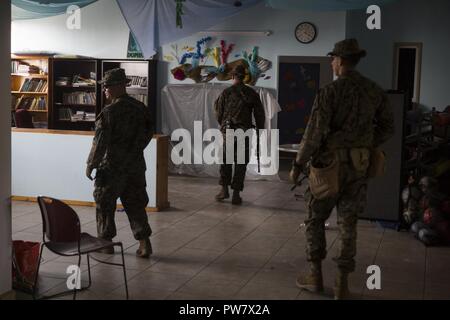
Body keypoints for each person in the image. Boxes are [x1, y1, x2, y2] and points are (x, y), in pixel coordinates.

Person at [289, 39, 395, 299]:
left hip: (328, 166)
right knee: (348, 222)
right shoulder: (374, 91)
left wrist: (298, 163)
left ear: (339, 61)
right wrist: (365, 144)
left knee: (315, 218)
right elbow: (388, 127)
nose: (332, 63)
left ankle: (315, 276)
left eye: (333, 59)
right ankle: (341, 284)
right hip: (359, 166)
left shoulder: (330, 92)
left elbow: (314, 133)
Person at [86, 68, 154, 258]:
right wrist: (134, 149)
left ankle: (106, 244)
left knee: (104, 204)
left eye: (107, 86)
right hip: (135, 165)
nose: (105, 90)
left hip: (112, 167)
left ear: (119, 86)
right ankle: (144, 243)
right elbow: (149, 133)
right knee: (135, 204)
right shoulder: (141, 108)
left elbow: (100, 142)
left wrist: (91, 163)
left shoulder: (109, 112)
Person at [214, 64, 265, 205]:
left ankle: (224, 190)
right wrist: (260, 130)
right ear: (244, 77)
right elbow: (259, 114)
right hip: (245, 131)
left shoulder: (226, 92)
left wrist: (223, 126)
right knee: (241, 162)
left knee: (226, 160)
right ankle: (236, 194)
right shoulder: (251, 93)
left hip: (229, 131)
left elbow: (218, 113)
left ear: (232, 76)